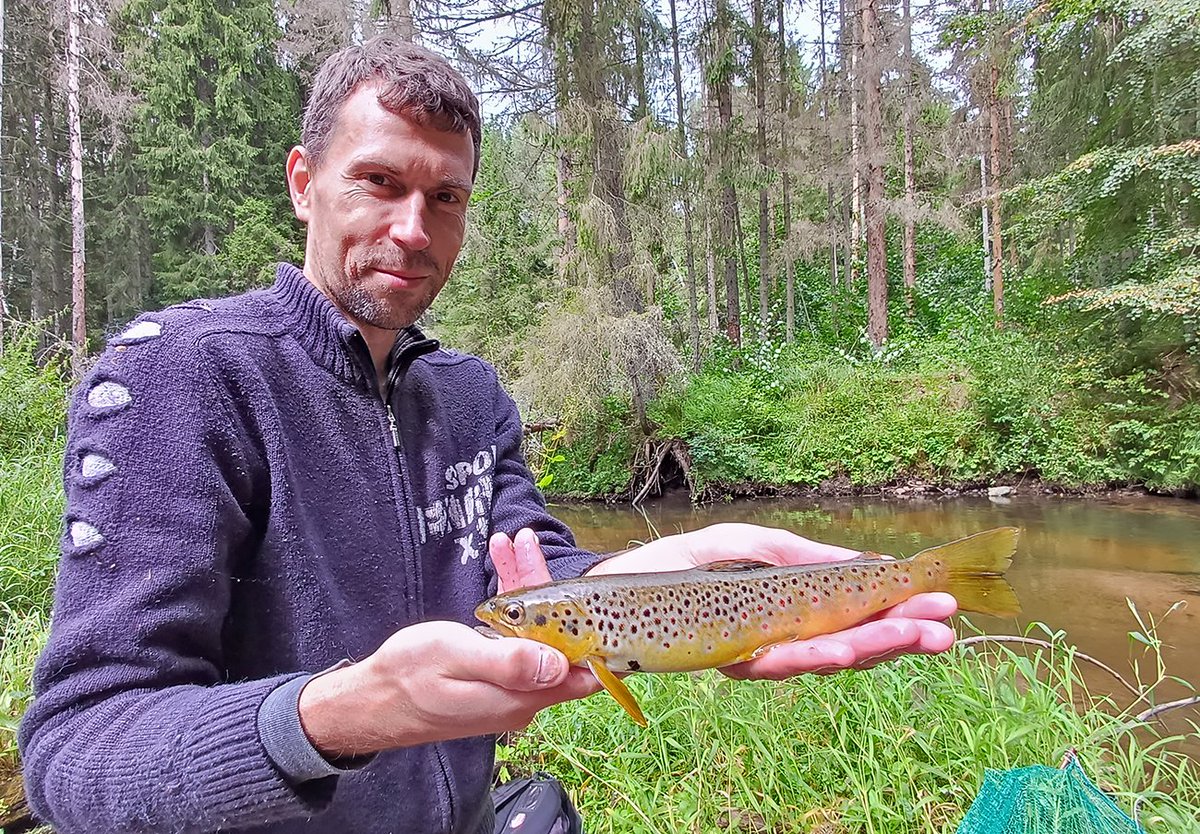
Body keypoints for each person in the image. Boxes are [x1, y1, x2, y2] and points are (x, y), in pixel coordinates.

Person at [18, 37, 957, 834]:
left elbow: (530, 561)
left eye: (446, 199)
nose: (411, 229)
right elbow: (79, 747)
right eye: (378, 182)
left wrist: (659, 586)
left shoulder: (467, 394)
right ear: (305, 184)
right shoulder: (181, 374)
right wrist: (338, 717)